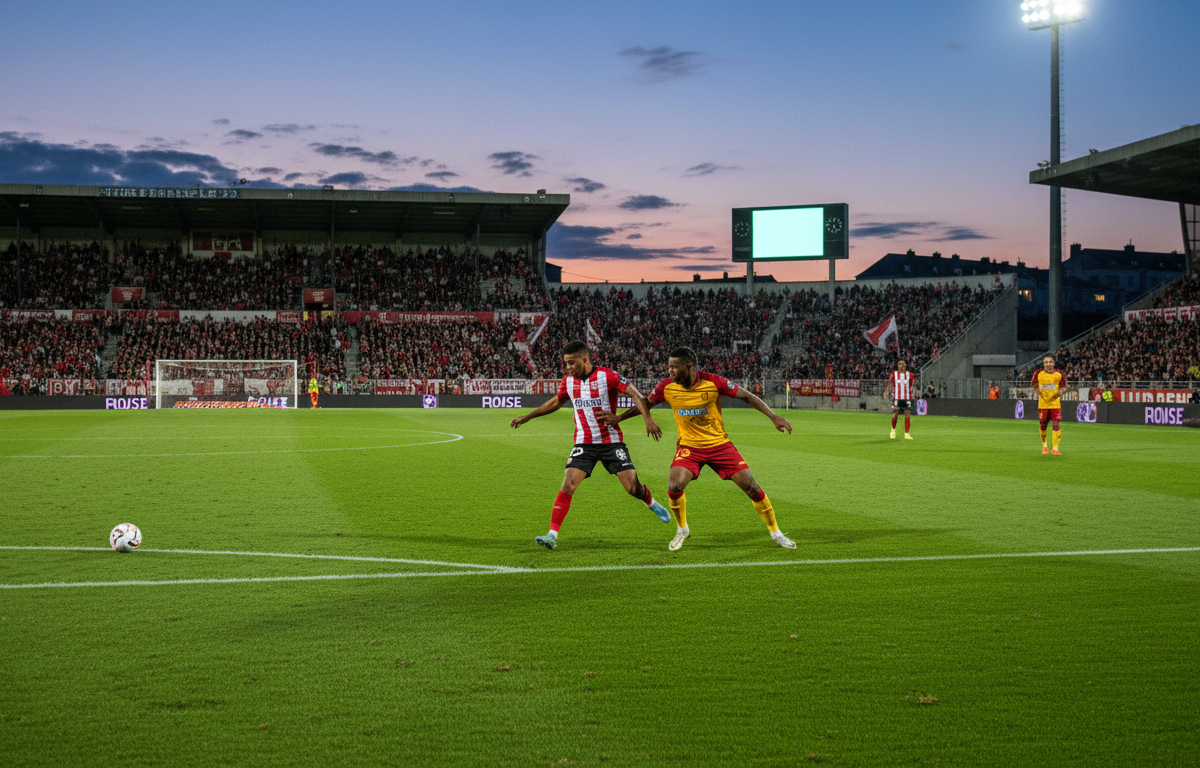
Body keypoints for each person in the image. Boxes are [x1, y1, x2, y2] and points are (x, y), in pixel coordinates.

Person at [602, 346, 795, 551]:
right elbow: (645, 403)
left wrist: (773, 416)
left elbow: (747, 396)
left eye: (675, 367)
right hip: (689, 447)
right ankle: (682, 529)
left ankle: (776, 533)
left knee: (752, 487)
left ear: (689, 367)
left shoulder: (713, 382)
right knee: (674, 486)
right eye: (669, 367)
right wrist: (620, 418)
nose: (670, 371)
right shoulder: (666, 387)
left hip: (719, 446)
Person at [509, 340, 670, 550]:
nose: (568, 368)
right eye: (566, 363)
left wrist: (647, 419)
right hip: (584, 443)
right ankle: (552, 534)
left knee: (632, 488)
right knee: (568, 483)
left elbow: (637, 396)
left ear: (585, 359)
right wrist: (528, 417)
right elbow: (557, 401)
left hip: (611, 442)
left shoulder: (607, 376)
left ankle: (649, 501)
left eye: (572, 363)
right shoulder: (568, 381)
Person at [1032, 355, 1067, 455]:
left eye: (1050, 362)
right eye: (1046, 362)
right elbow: (1034, 384)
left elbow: (1064, 386)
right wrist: (1039, 390)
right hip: (1043, 404)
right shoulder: (1038, 373)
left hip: (1055, 404)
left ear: (1053, 363)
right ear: (1043, 364)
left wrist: (1061, 392)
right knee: (1043, 425)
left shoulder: (1059, 374)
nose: (1048, 364)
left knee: (1056, 423)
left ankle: (1055, 449)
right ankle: (1044, 446)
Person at [886, 359, 917, 440]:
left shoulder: (910, 374)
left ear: (906, 365)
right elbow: (889, 384)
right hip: (897, 397)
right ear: (898, 365)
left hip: (907, 397)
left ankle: (906, 433)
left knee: (907, 414)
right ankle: (893, 430)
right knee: (895, 414)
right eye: (900, 364)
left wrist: (915, 389)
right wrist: (886, 392)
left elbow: (914, 384)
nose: (902, 365)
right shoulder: (894, 374)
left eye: (903, 364)